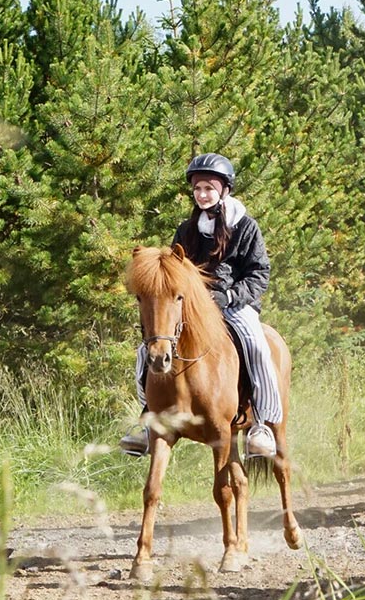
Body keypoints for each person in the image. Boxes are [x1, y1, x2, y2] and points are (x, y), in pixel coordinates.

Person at [120, 153, 283, 459]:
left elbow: (259, 273)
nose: (202, 195)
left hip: (235, 304)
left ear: (224, 190)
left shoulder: (246, 227)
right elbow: (173, 270)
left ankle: (261, 423)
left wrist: (231, 296)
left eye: (209, 188)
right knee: (147, 349)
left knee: (257, 346)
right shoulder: (187, 228)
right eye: (198, 189)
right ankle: (147, 421)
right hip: (192, 308)